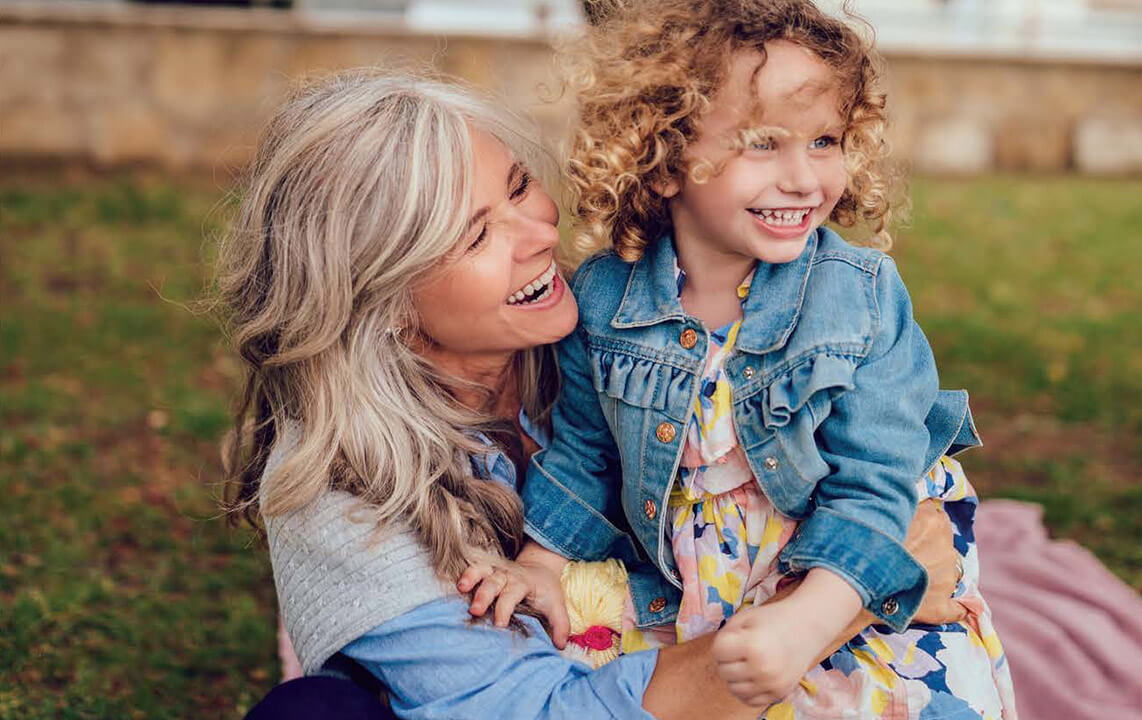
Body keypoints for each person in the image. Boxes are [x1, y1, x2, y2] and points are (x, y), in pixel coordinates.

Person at [220, 69, 966, 720]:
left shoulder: (609, 337)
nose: (539, 235)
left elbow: (862, 448)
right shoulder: (339, 493)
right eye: (477, 237)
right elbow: (545, 712)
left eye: (519, 188)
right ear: (382, 303)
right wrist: (854, 594)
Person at [487, 1, 1017, 717]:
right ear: (665, 157)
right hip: (692, 583)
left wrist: (812, 619)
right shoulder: (608, 297)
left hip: (849, 568)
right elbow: (586, 450)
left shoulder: (856, 299)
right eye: (762, 143)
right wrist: (542, 563)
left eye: (825, 140)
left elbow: (876, 484)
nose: (803, 178)